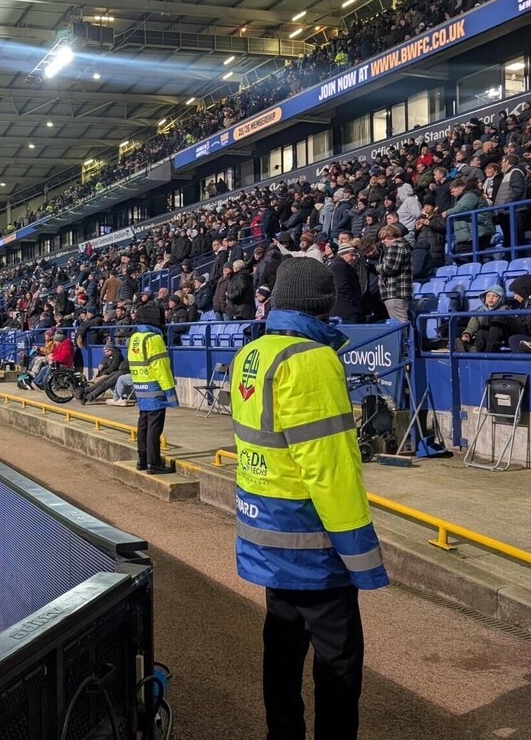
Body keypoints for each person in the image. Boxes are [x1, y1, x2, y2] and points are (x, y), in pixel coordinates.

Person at [231, 257, 388, 740]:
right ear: (325, 304)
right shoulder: (313, 360)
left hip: (265, 533)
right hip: (313, 543)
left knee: (281, 651)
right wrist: (362, 558)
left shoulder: (252, 353)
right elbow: (331, 471)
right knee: (338, 662)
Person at [127, 317, 178, 473]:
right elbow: (161, 367)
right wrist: (170, 392)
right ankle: (153, 463)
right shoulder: (154, 338)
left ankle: (142, 460)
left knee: (143, 423)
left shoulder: (135, 337)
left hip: (140, 386)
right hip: (155, 388)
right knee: (154, 427)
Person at [374, 225, 412, 323]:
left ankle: (405, 334)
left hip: (395, 292)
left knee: (400, 324)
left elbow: (390, 268)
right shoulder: (402, 246)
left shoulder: (396, 246)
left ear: (391, 235)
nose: (383, 242)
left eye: (384, 238)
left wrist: (378, 267)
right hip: (396, 293)